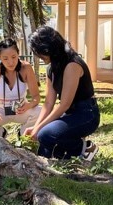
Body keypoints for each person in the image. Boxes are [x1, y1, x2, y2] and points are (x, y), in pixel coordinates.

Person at [24, 26, 100, 160]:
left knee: (45, 134)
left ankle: (85, 148)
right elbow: (48, 103)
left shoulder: (72, 64)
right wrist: (35, 127)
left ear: (48, 48)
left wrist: (39, 129)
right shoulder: (51, 68)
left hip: (86, 114)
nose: (38, 56)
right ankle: (64, 156)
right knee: (44, 150)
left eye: (39, 52)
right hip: (70, 113)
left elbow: (64, 104)